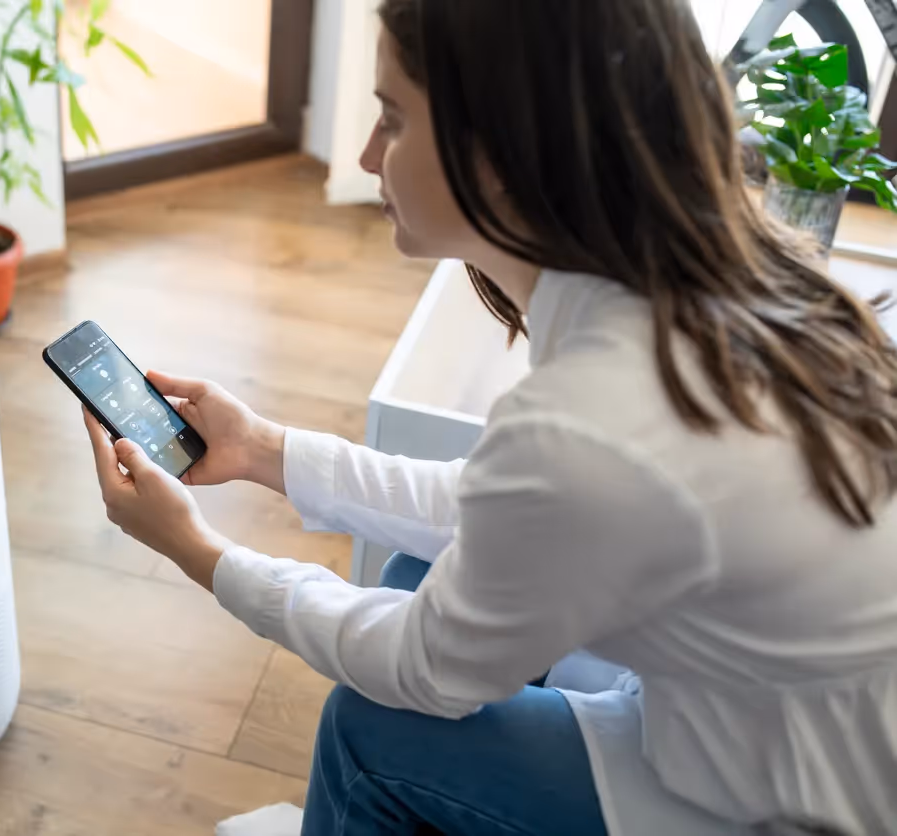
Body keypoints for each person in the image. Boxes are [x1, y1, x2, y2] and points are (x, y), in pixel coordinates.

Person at [80, 0, 897, 833]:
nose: (367, 155)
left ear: (504, 148)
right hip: (746, 719)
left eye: (392, 119)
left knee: (368, 730)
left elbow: (425, 670)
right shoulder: (713, 289)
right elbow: (501, 506)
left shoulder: (596, 413)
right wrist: (263, 450)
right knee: (413, 572)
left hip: (782, 802)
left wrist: (199, 552)